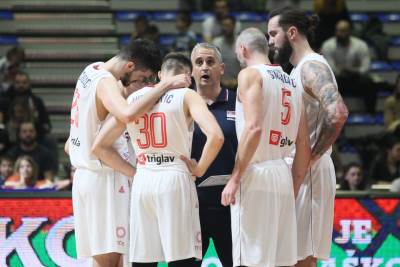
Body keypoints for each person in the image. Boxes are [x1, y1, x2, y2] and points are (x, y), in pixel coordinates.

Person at [65, 39, 191, 267]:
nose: (143, 86)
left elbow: (69, 143)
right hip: (105, 177)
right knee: (110, 259)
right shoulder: (106, 82)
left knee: (108, 259)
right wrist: (165, 85)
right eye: (143, 79)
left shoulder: (90, 70)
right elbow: (127, 114)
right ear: (130, 67)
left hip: (86, 177)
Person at [91, 52, 224, 266]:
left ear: (161, 74)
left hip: (143, 180)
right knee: (182, 257)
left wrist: (134, 172)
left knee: (144, 259)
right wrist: (200, 169)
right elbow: (216, 136)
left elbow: (99, 147)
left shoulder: (135, 99)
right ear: (187, 77)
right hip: (174, 177)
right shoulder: (187, 96)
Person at [221, 27, 311, 267]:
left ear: (242, 49)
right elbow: (304, 144)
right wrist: (292, 186)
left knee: (250, 260)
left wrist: (235, 177)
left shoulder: (250, 74)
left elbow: (254, 128)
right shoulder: (292, 82)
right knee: (281, 261)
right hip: (281, 174)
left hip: (256, 173)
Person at [268, 7, 349, 267]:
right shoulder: (298, 69)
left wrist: (312, 155)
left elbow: (337, 113)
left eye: (273, 34)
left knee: (302, 259)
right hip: (299, 169)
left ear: (291, 33)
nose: (270, 41)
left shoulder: (311, 66)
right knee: (291, 258)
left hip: (310, 172)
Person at [190, 42, 237, 267]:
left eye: (210, 62)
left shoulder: (239, 102)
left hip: (231, 205)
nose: (204, 67)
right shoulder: (181, 104)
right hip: (192, 205)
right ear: (191, 70)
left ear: (222, 68)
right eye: (199, 63)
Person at [321, 19, 376, 113]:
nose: (338, 33)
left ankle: (370, 113)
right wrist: (342, 72)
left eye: (342, 31)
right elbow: (330, 68)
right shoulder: (328, 45)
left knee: (369, 83)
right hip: (338, 80)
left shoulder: (360, 45)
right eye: (337, 30)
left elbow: (366, 66)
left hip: (355, 78)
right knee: (328, 85)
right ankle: (334, 116)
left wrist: (356, 72)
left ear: (349, 31)